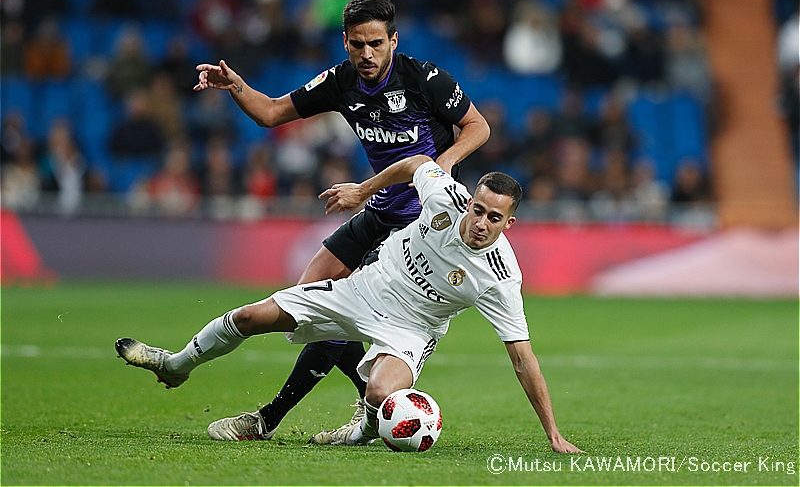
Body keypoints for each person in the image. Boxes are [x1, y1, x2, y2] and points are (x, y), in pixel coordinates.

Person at [115, 154, 581, 453]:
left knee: (382, 394)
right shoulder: (446, 197)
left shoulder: (500, 277)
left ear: (509, 223)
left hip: (411, 330)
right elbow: (415, 162)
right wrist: (364, 190)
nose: (480, 222)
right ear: (471, 201)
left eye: (494, 217)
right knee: (249, 317)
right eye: (478, 210)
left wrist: (553, 435)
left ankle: (358, 430)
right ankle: (175, 365)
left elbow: (523, 359)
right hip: (363, 289)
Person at [192, 0, 490, 443]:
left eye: (375, 43)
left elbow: (478, 126)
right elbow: (271, 113)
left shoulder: (425, 79)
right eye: (356, 45)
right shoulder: (341, 81)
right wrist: (235, 86)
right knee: (305, 301)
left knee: (330, 315)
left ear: (393, 39)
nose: (366, 54)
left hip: (418, 229)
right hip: (378, 212)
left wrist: (441, 165)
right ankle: (375, 405)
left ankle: (268, 419)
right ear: (345, 42)